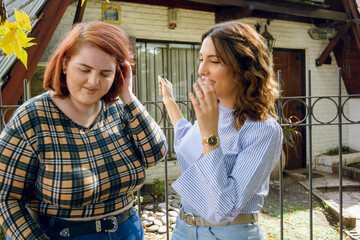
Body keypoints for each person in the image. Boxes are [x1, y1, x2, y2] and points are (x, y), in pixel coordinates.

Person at [0, 21, 167, 240]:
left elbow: (155, 154)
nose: (93, 82)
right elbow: (7, 199)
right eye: (85, 69)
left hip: (128, 231)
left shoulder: (120, 108)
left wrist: (127, 96)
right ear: (66, 63)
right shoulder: (32, 117)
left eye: (105, 73)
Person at [158, 21, 283, 240]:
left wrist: (210, 136)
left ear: (243, 67)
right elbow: (186, 142)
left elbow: (222, 210)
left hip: (228, 233)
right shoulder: (213, 111)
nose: (201, 70)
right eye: (201, 59)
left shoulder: (263, 130)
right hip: (183, 227)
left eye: (213, 61)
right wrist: (169, 101)